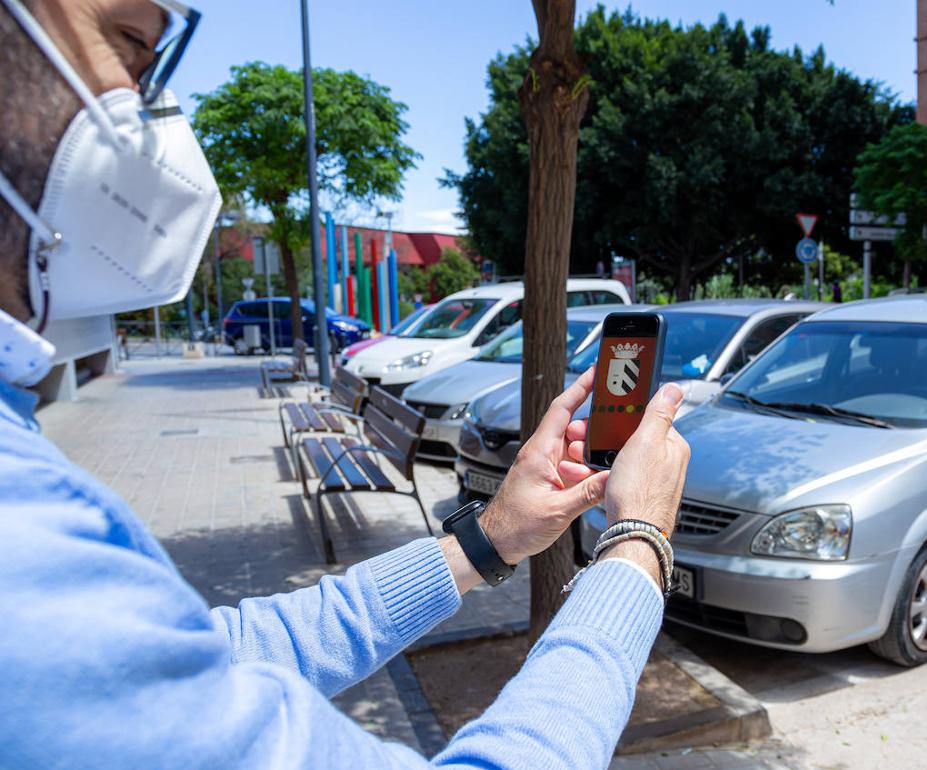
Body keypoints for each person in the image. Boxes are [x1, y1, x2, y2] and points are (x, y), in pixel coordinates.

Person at [0, 1, 690, 768]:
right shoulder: (22, 542)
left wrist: (488, 538)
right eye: (132, 44)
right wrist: (639, 546)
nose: (153, 104)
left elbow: (232, 653)